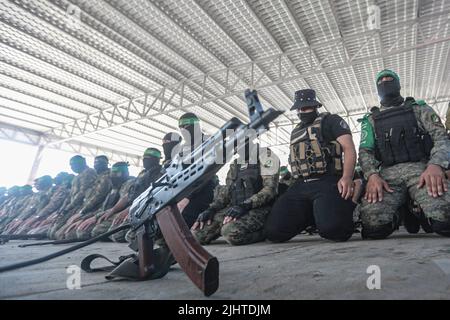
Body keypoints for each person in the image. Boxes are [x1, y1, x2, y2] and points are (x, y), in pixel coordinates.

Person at [358, 69, 450, 239]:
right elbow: (365, 152)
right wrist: (372, 175)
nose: (385, 82)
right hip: (387, 177)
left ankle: (421, 212)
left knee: (445, 220)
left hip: (422, 171)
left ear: (398, 84)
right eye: (381, 80)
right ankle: (399, 212)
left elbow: (441, 138)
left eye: (389, 79)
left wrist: (436, 165)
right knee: (373, 228)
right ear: (377, 89)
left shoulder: (419, 109)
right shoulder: (370, 120)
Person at [265, 89, 357, 242]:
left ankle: (342, 209)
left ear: (315, 106)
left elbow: (349, 148)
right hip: (300, 184)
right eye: (299, 109)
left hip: (327, 181)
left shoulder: (331, 121)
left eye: (306, 107)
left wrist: (347, 177)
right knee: (274, 232)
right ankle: (312, 216)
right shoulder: (296, 131)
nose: (302, 111)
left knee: (335, 231)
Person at [192, 140, 280, 246]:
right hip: (237, 208)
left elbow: (270, 190)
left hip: (261, 208)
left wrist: (245, 205)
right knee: (197, 235)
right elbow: (227, 191)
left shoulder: (266, 156)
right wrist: (212, 209)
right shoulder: (235, 164)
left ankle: (265, 233)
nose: (237, 148)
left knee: (231, 233)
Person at [93, 148, 163, 243]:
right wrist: (113, 210)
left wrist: (129, 210)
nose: (145, 160)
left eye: (148, 158)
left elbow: (152, 196)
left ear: (157, 159)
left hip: (146, 209)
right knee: (101, 232)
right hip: (133, 209)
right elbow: (128, 195)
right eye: (144, 158)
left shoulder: (160, 173)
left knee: (122, 236)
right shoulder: (142, 174)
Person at [75, 162, 134, 239]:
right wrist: (87, 218)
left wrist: (96, 217)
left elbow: (124, 202)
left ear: (126, 174)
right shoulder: (113, 188)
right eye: (112, 174)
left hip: (124, 215)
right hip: (107, 215)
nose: (113, 177)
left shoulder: (130, 184)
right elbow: (104, 208)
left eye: (117, 174)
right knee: (81, 231)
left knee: (99, 232)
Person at [58, 156, 113, 240]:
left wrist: (82, 212)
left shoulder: (102, 176)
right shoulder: (97, 176)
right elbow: (77, 196)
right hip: (86, 208)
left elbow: (97, 196)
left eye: (99, 163)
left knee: (71, 234)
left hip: (94, 209)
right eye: (95, 163)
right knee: (59, 233)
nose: (96, 165)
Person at [176, 113, 215, 229]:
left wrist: (187, 198)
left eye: (186, 126)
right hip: (184, 192)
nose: (183, 130)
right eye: (180, 127)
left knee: (181, 223)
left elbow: (207, 173)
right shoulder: (183, 148)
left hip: (204, 189)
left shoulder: (209, 141)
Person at [47, 155, 97, 240]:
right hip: (72, 206)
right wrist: (64, 208)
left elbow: (82, 193)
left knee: (62, 235)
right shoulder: (77, 177)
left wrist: (69, 207)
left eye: (74, 164)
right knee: (52, 233)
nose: (72, 167)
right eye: (71, 165)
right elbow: (71, 195)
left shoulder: (88, 172)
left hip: (80, 206)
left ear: (83, 162)